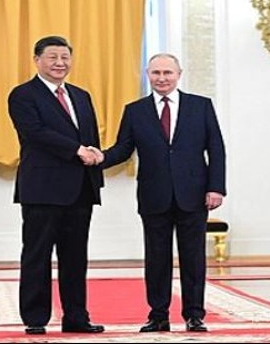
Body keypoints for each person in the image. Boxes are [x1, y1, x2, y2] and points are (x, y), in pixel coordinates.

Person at [96, 53, 226, 333]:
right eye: (156, 73)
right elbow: (122, 149)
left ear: (179, 74)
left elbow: (216, 148)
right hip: (154, 195)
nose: (162, 78)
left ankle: (194, 315)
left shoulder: (200, 106)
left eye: (167, 73)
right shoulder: (135, 110)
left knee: (193, 258)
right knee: (156, 258)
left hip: (194, 194)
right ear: (148, 75)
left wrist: (216, 187)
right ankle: (158, 315)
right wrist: (99, 158)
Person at [8, 35, 105, 335]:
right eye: (52, 57)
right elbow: (35, 133)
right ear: (37, 60)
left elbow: (89, 137)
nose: (60, 63)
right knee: (37, 254)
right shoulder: (23, 95)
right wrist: (77, 151)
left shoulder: (81, 95)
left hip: (80, 189)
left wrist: (95, 161)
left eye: (65, 57)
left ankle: (76, 317)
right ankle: (36, 318)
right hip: (43, 189)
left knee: (76, 257)